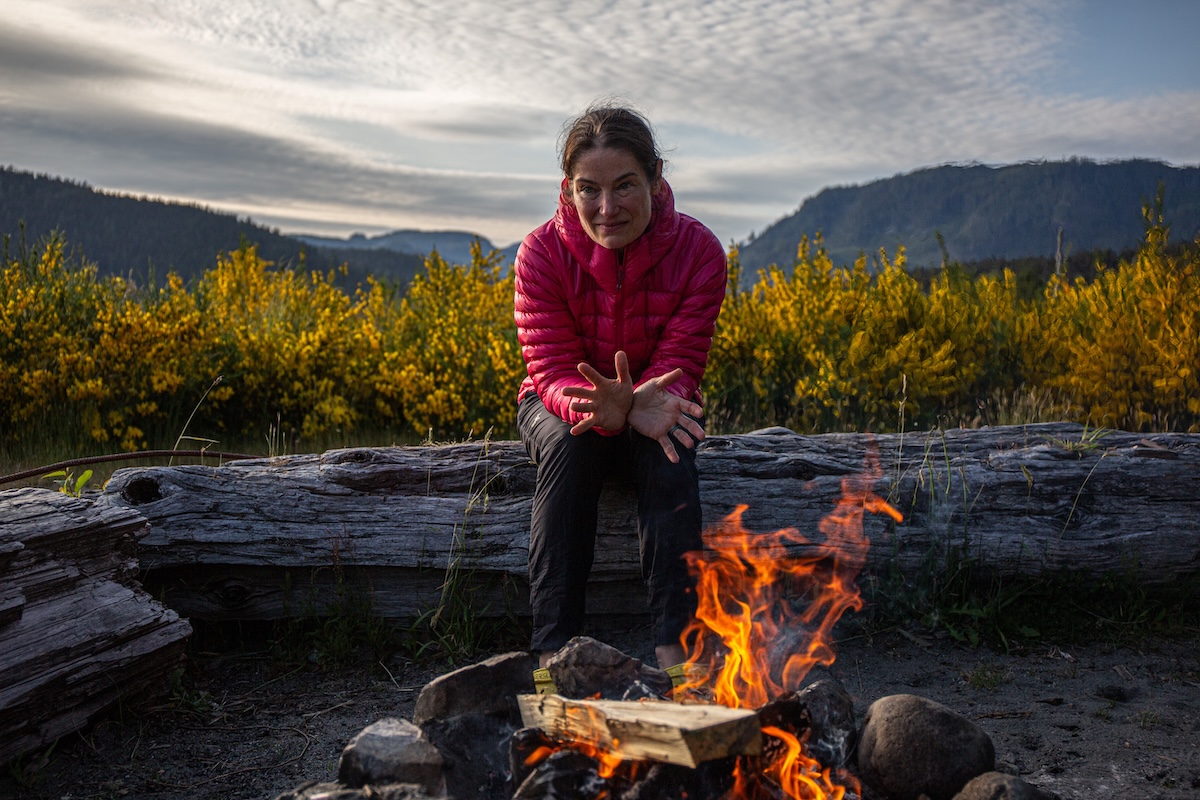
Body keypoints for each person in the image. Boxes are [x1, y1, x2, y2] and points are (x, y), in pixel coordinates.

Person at [513, 104, 727, 672]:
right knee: (571, 445)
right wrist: (602, 409)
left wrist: (634, 407)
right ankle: (555, 654)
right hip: (558, 402)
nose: (607, 209)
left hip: (657, 399)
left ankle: (677, 657)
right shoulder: (540, 254)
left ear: (656, 178)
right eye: (590, 190)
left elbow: (681, 361)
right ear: (568, 188)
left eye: (626, 186)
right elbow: (550, 366)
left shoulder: (700, 253)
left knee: (670, 451)